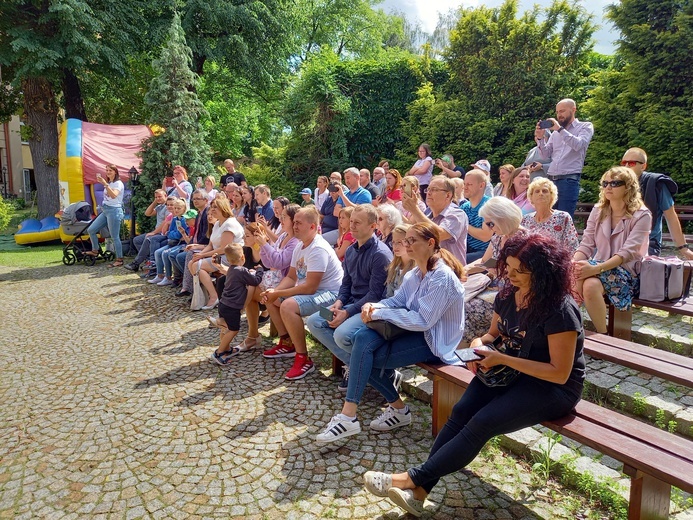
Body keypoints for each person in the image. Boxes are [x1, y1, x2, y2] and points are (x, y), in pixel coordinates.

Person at [363, 231, 585, 517]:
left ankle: (410, 479)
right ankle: (419, 493)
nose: (512, 276)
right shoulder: (508, 295)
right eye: (510, 268)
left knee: (481, 422)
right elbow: (492, 334)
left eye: (521, 271)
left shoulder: (560, 310)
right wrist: (479, 346)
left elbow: (559, 372)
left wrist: (501, 358)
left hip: (552, 387)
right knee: (461, 411)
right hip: (508, 370)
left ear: (543, 273)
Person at [315, 222, 466, 444]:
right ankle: (374, 413)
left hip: (435, 340)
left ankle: (359, 415)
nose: (407, 245)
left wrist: (379, 314)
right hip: (412, 329)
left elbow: (424, 321)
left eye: (411, 240)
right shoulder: (416, 273)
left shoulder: (441, 277)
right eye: (406, 241)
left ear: (431, 243)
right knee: (362, 339)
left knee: (366, 356)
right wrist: (376, 307)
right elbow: (397, 301)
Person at [306, 204, 393, 391]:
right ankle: (361, 367)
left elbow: (375, 295)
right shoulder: (352, 250)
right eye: (351, 221)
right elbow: (346, 284)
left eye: (357, 223)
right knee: (315, 321)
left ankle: (368, 370)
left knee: (342, 334)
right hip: (351, 304)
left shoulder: (380, 255)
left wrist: (345, 313)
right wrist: (338, 303)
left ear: (372, 226)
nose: (351, 226)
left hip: (372, 309)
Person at [261, 207, 344, 380]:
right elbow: (291, 277)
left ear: (312, 227)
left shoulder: (318, 248)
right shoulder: (300, 245)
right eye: (295, 222)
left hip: (331, 297)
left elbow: (310, 288)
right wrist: (275, 292)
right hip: (316, 294)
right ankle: (287, 342)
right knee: (271, 297)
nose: (295, 226)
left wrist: (280, 293)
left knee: (288, 306)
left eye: (299, 223)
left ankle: (303, 359)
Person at [573, 166, 651, 333]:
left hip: (628, 274)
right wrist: (573, 264)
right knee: (589, 284)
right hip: (596, 271)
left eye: (615, 183)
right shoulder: (598, 210)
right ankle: (602, 333)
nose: (608, 187)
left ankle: (573, 325)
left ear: (628, 186)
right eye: (605, 183)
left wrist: (595, 268)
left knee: (582, 275)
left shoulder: (642, 215)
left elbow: (626, 254)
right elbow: (586, 244)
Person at [235, 204, 302, 352]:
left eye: (285, 217)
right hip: (277, 278)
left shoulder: (295, 241)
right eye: (281, 216)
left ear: (294, 220)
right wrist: (262, 244)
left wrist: (264, 244)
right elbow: (268, 262)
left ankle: (237, 320)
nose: (281, 219)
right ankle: (256, 335)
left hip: (288, 283)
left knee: (251, 287)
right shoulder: (284, 236)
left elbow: (279, 262)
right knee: (250, 283)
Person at [621, 147, 693, 259]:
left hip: (648, 244)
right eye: (624, 163)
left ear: (643, 166)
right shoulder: (615, 183)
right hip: (619, 242)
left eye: (631, 163)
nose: (626, 167)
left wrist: (683, 248)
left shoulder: (656, 183)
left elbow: (671, 216)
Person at [534, 98, 594, 217]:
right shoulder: (556, 133)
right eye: (557, 112)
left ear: (573, 110)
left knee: (563, 219)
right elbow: (545, 155)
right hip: (550, 179)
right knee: (547, 217)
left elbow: (578, 145)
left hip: (568, 180)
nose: (559, 115)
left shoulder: (585, 126)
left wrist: (559, 129)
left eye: (562, 111)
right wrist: (540, 139)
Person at [208, 244, 264, 365]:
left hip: (223, 304)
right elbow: (255, 281)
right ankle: (219, 352)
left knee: (225, 328)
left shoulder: (231, 270)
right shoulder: (242, 271)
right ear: (243, 257)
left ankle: (227, 348)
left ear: (228, 260)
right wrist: (259, 270)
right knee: (233, 330)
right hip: (232, 307)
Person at [188, 197, 244, 309]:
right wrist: (198, 255)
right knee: (192, 263)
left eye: (215, 207)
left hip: (230, 257)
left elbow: (224, 248)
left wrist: (202, 255)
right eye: (212, 207)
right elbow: (211, 244)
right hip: (218, 255)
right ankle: (207, 293)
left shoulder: (229, 224)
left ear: (223, 208)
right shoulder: (218, 223)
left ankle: (214, 296)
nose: (212, 210)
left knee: (197, 266)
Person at [402, 175, 469, 265]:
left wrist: (415, 210)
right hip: (428, 270)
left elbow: (439, 235)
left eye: (434, 190)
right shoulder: (427, 215)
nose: (428, 193)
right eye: (428, 189)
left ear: (448, 195)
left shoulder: (457, 214)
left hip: (450, 272)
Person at [467, 196, 524, 278]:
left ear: (503, 219)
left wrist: (501, 270)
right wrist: (463, 270)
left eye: (490, 224)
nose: (489, 228)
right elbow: (485, 262)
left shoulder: (526, 240)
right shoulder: (498, 238)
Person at [522, 178, 579, 253]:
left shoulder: (563, 217)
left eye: (545, 191)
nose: (541, 193)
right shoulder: (526, 219)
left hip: (556, 261)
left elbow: (572, 246)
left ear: (552, 196)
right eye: (537, 191)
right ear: (531, 197)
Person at [174, 190, 211, 297]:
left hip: (205, 246)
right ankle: (191, 285)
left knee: (188, 255)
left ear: (205, 200)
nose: (195, 201)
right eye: (194, 199)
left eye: (198, 199)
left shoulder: (207, 213)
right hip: (196, 244)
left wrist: (196, 246)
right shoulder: (199, 213)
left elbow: (206, 236)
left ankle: (190, 288)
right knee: (177, 255)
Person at [86, 164, 125, 267]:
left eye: (110, 170)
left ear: (115, 172)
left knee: (114, 236)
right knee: (91, 230)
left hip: (114, 211)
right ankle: (95, 250)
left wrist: (104, 184)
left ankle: (119, 259)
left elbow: (114, 195)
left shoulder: (118, 183)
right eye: (107, 170)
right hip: (106, 210)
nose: (108, 172)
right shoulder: (110, 182)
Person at [324, 168, 372, 245]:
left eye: (348, 178)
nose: (346, 181)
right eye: (345, 178)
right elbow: (336, 212)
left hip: (356, 231)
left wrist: (342, 196)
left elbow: (358, 212)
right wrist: (350, 211)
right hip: (341, 230)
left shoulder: (364, 194)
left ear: (357, 177)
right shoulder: (345, 193)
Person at [125, 189, 169, 272]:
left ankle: (136, 263)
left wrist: (154, 232)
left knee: (148, 238)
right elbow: (147, 213)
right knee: (137, 240)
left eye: (160, 196)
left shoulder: (168, 207)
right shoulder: (159, 207)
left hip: (162, 233)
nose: (158, 198)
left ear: (166, 196)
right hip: (157, 232)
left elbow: (165, 222)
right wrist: (154, 202)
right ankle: (148, 261)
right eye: (156, 197)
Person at [148, 198, 190, 286]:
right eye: (175, 208)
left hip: (181, 243)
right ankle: (160, 275)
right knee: (157, 252)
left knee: (165, 253)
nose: (176, 210)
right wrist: (173, 234)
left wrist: (173, 234)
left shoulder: (184, 220)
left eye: (179, 208)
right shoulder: (175, 219)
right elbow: (169, 233)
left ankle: (169, 277)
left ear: (184, 208)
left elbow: (178, 235)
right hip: (174, 242)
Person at [460, 169, 492, 264]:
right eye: (464, 184)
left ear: (481, 185)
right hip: (467, 249)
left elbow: (485, 236)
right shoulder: (464, 207)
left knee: (454, 262)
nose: (465, 188)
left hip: (487, 254)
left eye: (469, 184)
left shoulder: (489, 206)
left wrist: (464, 224)